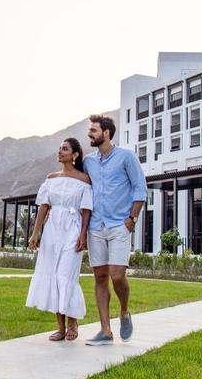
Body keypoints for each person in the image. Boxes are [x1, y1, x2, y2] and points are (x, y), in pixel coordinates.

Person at [82, 114, 147, 346]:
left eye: (94, 131)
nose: (90, 134)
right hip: (96, 227)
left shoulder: (126, 157)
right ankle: (106, 331)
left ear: (107, 132)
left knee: (117, 275)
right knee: (100, 277)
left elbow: (140, 189)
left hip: (120, 225)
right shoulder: (88, 161)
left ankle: (124, 311)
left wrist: (132, 218)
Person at [25, 137, 93, 341]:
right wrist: (35, 234)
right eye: (59, 148)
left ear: (75, 155)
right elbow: (43, 208)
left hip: (72, 230)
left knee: (67, 276)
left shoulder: (84, 180)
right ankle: (61, 328)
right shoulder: (51, 178)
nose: (60, 152)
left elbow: (86, 210)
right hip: (52, 231)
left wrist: (83, 235)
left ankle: (73, 322)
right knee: (54, 276)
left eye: (65, 149)